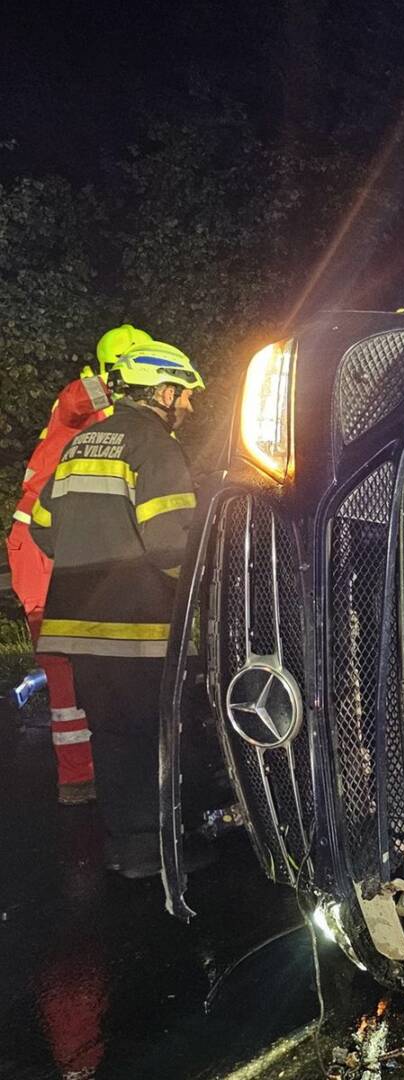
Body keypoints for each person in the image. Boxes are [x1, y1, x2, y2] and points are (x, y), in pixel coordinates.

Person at [30, 341, 205, 879]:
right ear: (164, 391)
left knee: (110, 736)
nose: (190, 409)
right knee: (154, 735)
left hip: (78, 628)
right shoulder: (153, 444)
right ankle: (157, 853)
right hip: (137, 628)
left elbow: (43, 529)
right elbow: (170, 544)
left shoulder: (80, 444)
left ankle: (127, 846)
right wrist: (201, 594)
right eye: (187, 395)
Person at [7, 324, 152, 804]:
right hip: (42, 539)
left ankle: (102, 767)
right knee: (64, 660)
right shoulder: (84, 398)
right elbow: (74, 401)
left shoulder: (119, 417)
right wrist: (115, 382)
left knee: (89, 654)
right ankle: (77, 780)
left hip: (63, 539)